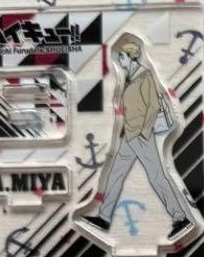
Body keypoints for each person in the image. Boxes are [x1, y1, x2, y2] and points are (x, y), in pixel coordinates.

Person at [77, 37, 193, 241]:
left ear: (131, 57)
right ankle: (104, 218)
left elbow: (153, 107)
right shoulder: (131, 79)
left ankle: (181, 218)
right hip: (129, 136)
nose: (119, 60)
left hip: (140, 136)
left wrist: (144, 132)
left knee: (157, 176)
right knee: (115, 175)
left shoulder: (145, 77)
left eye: (121, 57)